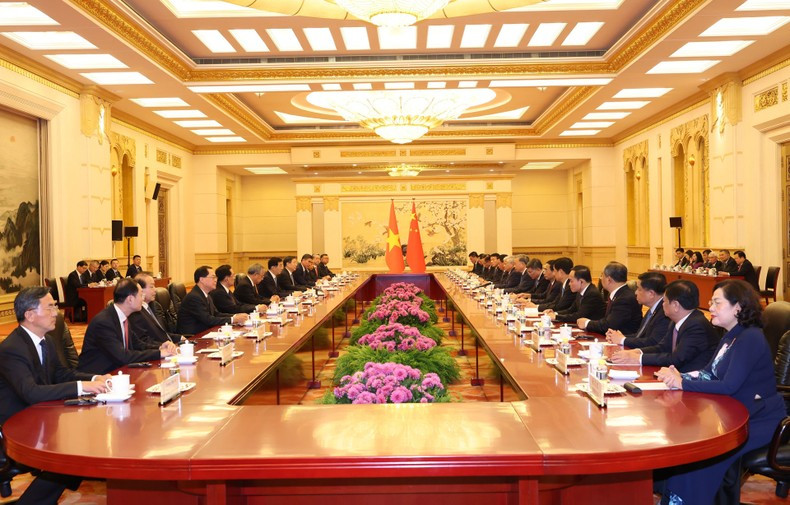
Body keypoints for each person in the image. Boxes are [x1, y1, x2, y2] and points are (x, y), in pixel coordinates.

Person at [654, 280, 786, 504]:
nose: (710, 307)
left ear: (738, 307)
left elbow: (728, 386)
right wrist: (680, 376)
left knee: (702, 456)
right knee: (684, 444)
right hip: (732, 412)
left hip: (757, 419)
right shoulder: (731, 334)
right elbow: (708, 373)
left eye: (716, 302)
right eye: (711, 302)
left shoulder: (750, 337)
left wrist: (682, 384)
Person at [0, 287, 110, 505]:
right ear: (30, 315)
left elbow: (62, 373)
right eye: (50, 307)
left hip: (40, 412)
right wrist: (82, 386)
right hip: (15, 423)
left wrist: (96, 377)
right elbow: (30, 392)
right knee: (73, 452)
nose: (56, 312)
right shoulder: (12, 348)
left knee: (85, 440)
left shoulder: (46, 340)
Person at [611, 280, 719, 372]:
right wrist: (636, 352)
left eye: (664, 301)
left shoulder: (696, 325)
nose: (662, 305)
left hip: (694, 384)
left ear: (675, 305)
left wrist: (638, 358)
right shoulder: (676, 320)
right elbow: (662, 347)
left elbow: (676, 359)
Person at [78, 279, 178, 375]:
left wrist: (159, 347)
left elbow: (138, 344)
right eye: (140, 295)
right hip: (99, 377)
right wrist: (159, 354)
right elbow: (122, 356)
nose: (143, 299)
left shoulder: (123, 317)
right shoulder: (104, 322)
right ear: (130, 299)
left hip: (119, 371)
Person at [606, 271, 671, 349]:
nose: (636, 292)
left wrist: (623, 340)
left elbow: (653, 342)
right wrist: (618, 336)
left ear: (651, 294)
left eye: (639, 289)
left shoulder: (664, 313)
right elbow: (640, 335)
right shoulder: (653, 309)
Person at [176, 266, 249, 335]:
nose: (216, 280)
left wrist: (236, 316)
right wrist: (233, 319)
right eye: (213, 277)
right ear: (202, 279)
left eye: (216, 277)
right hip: (193, 337)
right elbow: (208, 320)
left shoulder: (206, 294)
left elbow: (216, 314)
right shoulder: (194, 297)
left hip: (205, 332)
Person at [579, 262, 642, 335]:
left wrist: (587, 323)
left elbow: (609, 325)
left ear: (609, 280)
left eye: (602, 275)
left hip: (625, 342)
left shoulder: (624, 299)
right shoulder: (619, 294)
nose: (600, 278)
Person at [128, 273, 182, 345]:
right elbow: (143, 341)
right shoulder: (135, 312)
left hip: (170, 347)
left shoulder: (154, 305)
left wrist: (180, 338)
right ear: (140, 290)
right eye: (151, 286)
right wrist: (163, 347)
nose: (155, 290)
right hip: (157, 351)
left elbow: (162, 333)